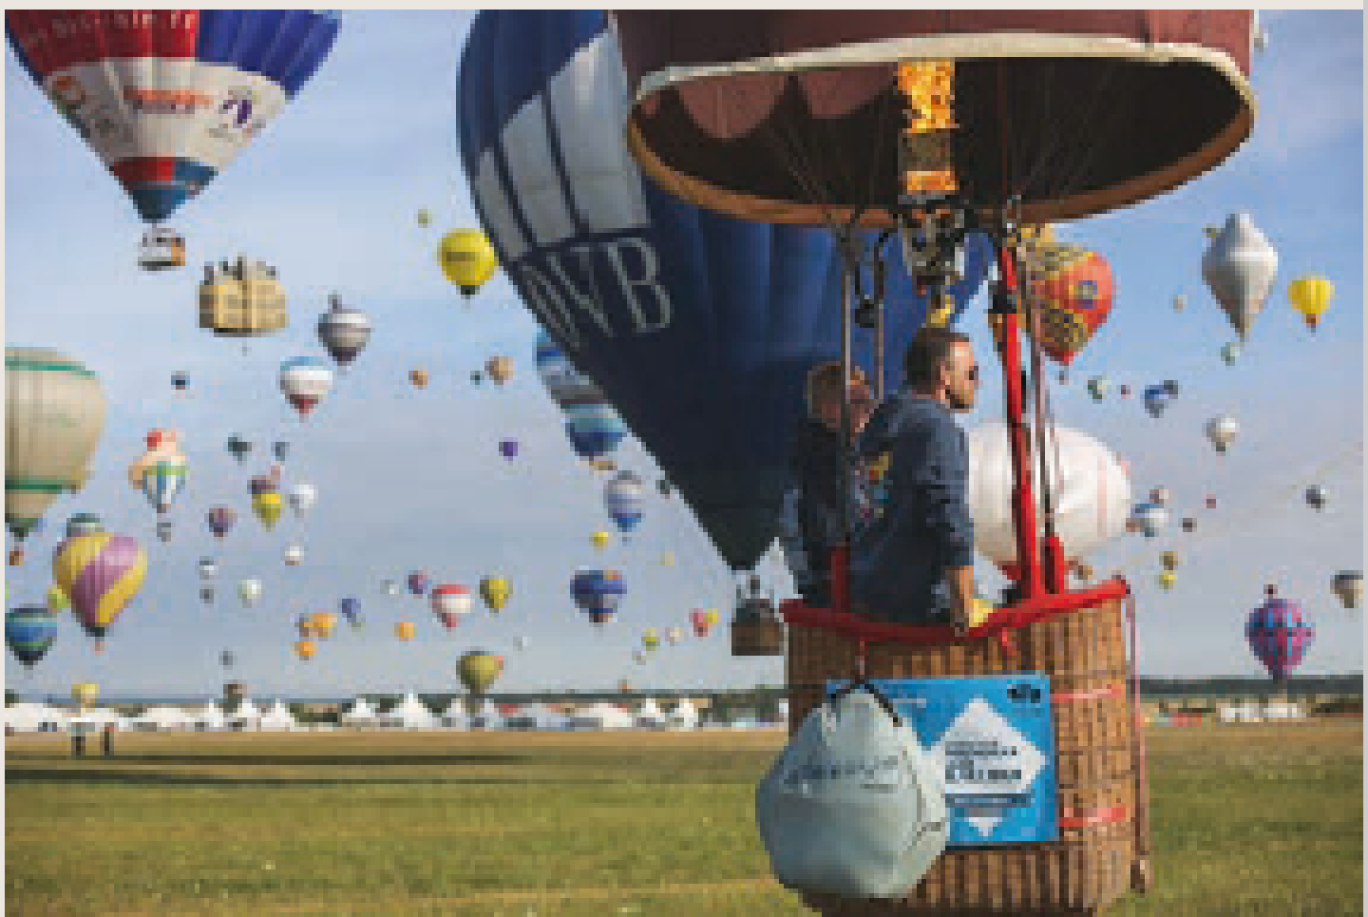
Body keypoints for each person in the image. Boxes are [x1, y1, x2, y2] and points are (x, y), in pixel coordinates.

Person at [851, 327, 980, 628]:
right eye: (972, 372)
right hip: (921, 606)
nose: (977, 382)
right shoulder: (938, 430)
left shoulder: (877, 430)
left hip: (867, 595)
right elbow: (950, 520)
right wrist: (964, 612)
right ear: (943, 375)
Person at [777, 361, 876, 608]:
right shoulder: (825, 462)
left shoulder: (836, 455)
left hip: (834, 580)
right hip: (839, 583)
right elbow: (854, 523)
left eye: (869, 401)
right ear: (831, 408)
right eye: (859, 402)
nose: (870, 409)